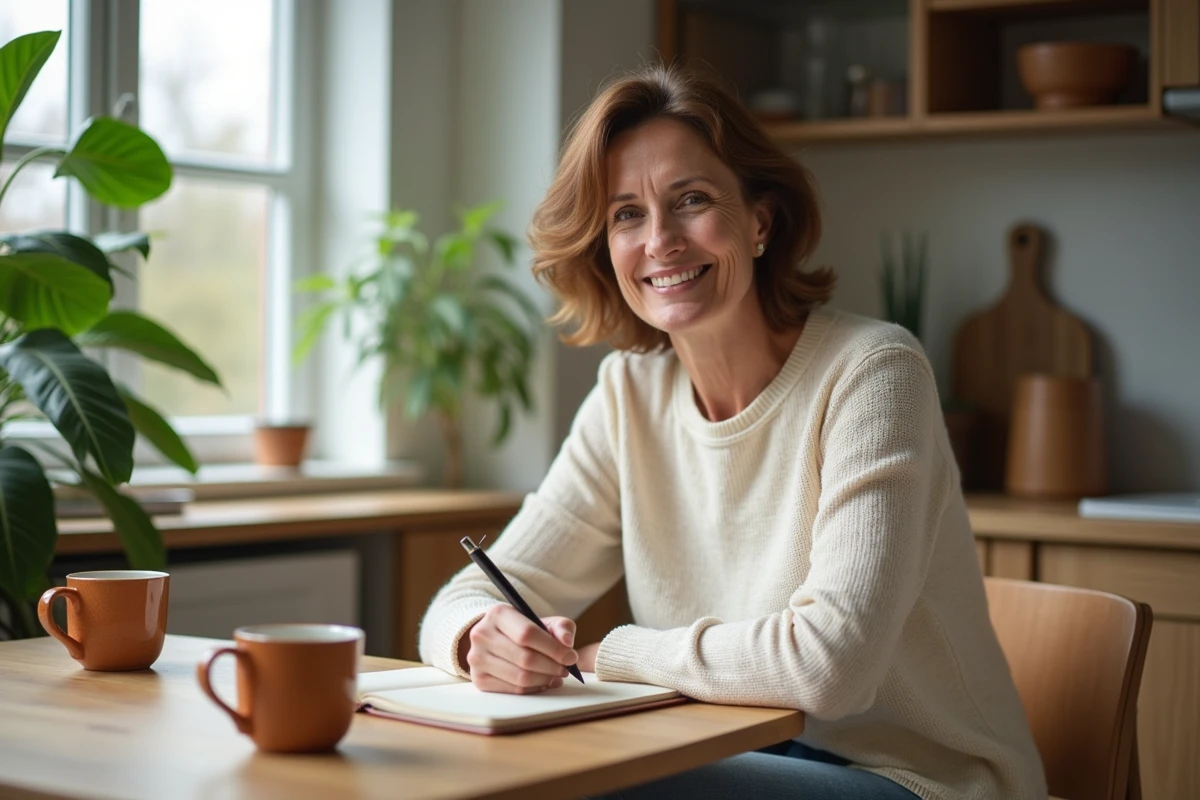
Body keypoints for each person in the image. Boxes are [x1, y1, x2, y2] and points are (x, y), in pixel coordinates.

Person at [417, 64, 1046, 800]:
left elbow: (828, 667)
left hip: (911, 778)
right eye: (626, 214)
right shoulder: (629, 393)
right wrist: (478, 641)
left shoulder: (873, 372)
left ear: (759, 221)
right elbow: (466, 596)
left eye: (692, 200)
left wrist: (603, 655)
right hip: (724, 754)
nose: (660, 241)